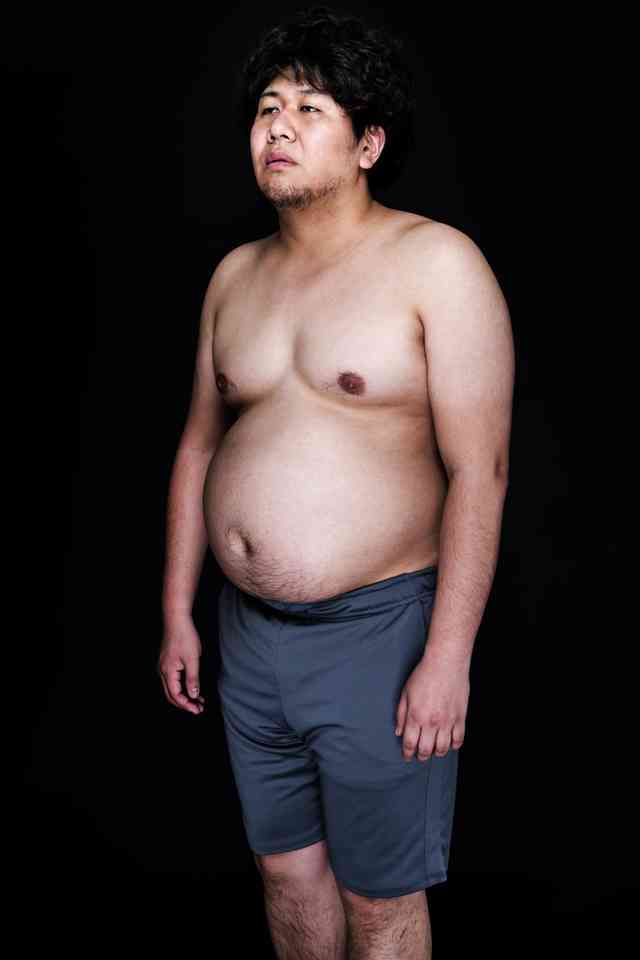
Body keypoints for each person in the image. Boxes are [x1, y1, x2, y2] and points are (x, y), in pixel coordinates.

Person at [158, 6, 514, 958]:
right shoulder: (235, 276)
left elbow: (479, 471)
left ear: (368, 144)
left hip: (379, 631)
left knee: (379, 900)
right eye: (267, 108)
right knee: (286, 876)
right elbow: (197, 448)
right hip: (248, 637)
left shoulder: (436, 263)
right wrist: (178, 611)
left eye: (310, 108)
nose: (278, 127)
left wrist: (449, 655)